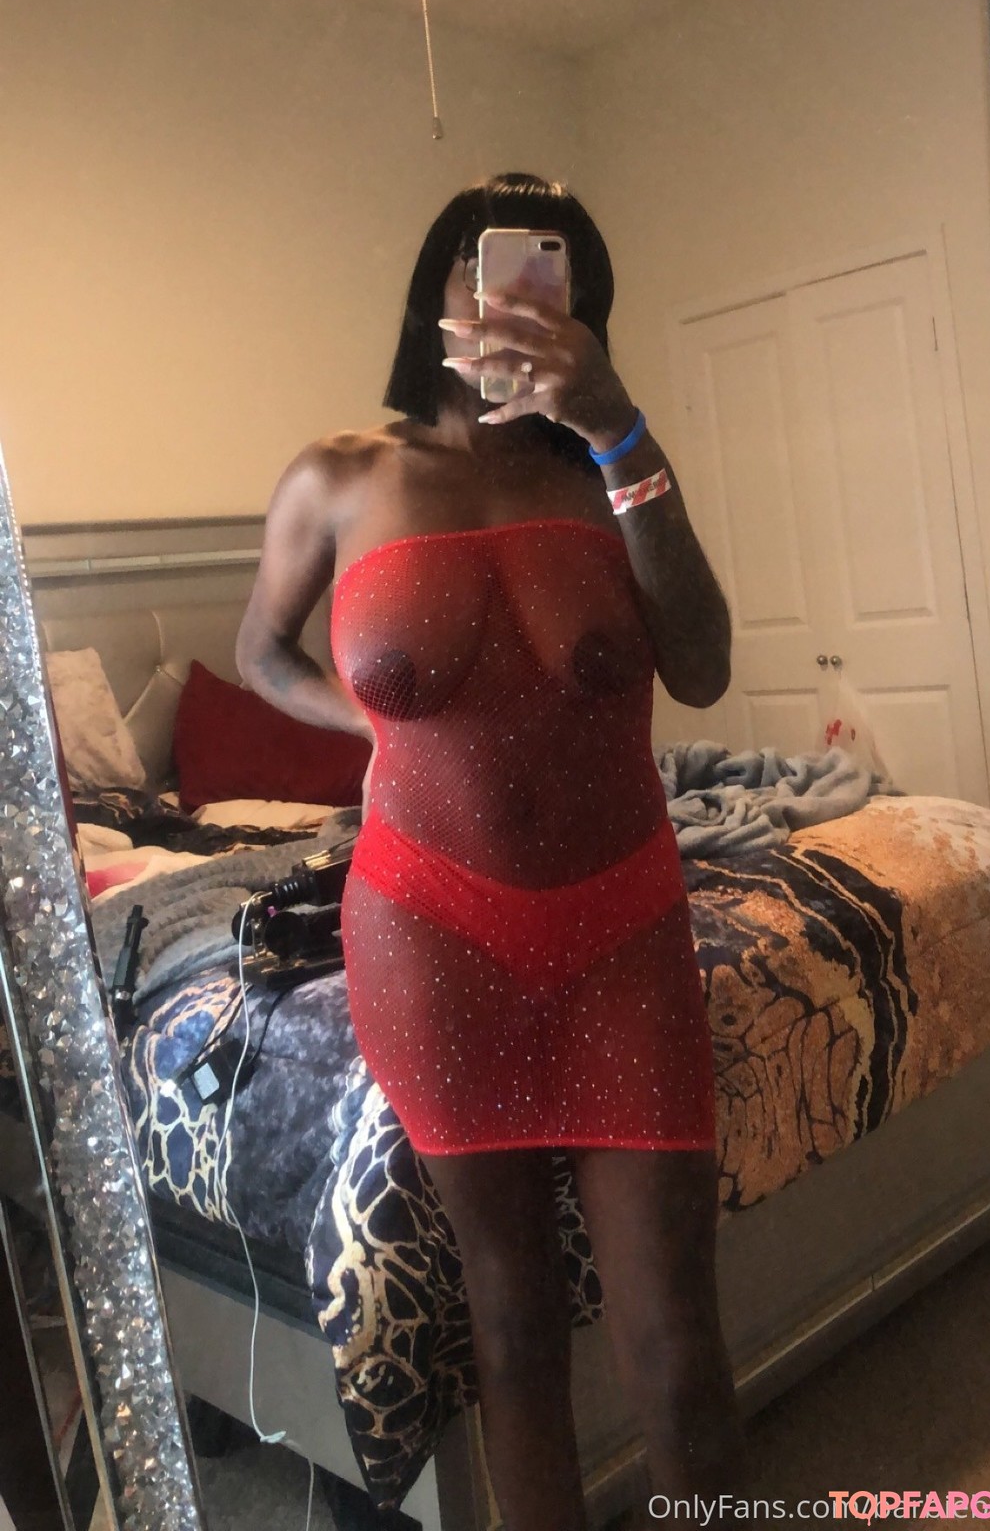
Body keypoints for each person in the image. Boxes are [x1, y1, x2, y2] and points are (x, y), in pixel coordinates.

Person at [236, 172, 751, 1529]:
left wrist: (620, 430)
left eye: (555, 274)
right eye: (497, 265)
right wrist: (371, 721)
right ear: (437, 293)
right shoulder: (341, 477)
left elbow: (702, 669)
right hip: (430, 938)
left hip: (622, 933)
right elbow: (260, 653)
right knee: (511, 1333)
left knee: (680, 1360)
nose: (523, 295)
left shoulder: (605, 469)